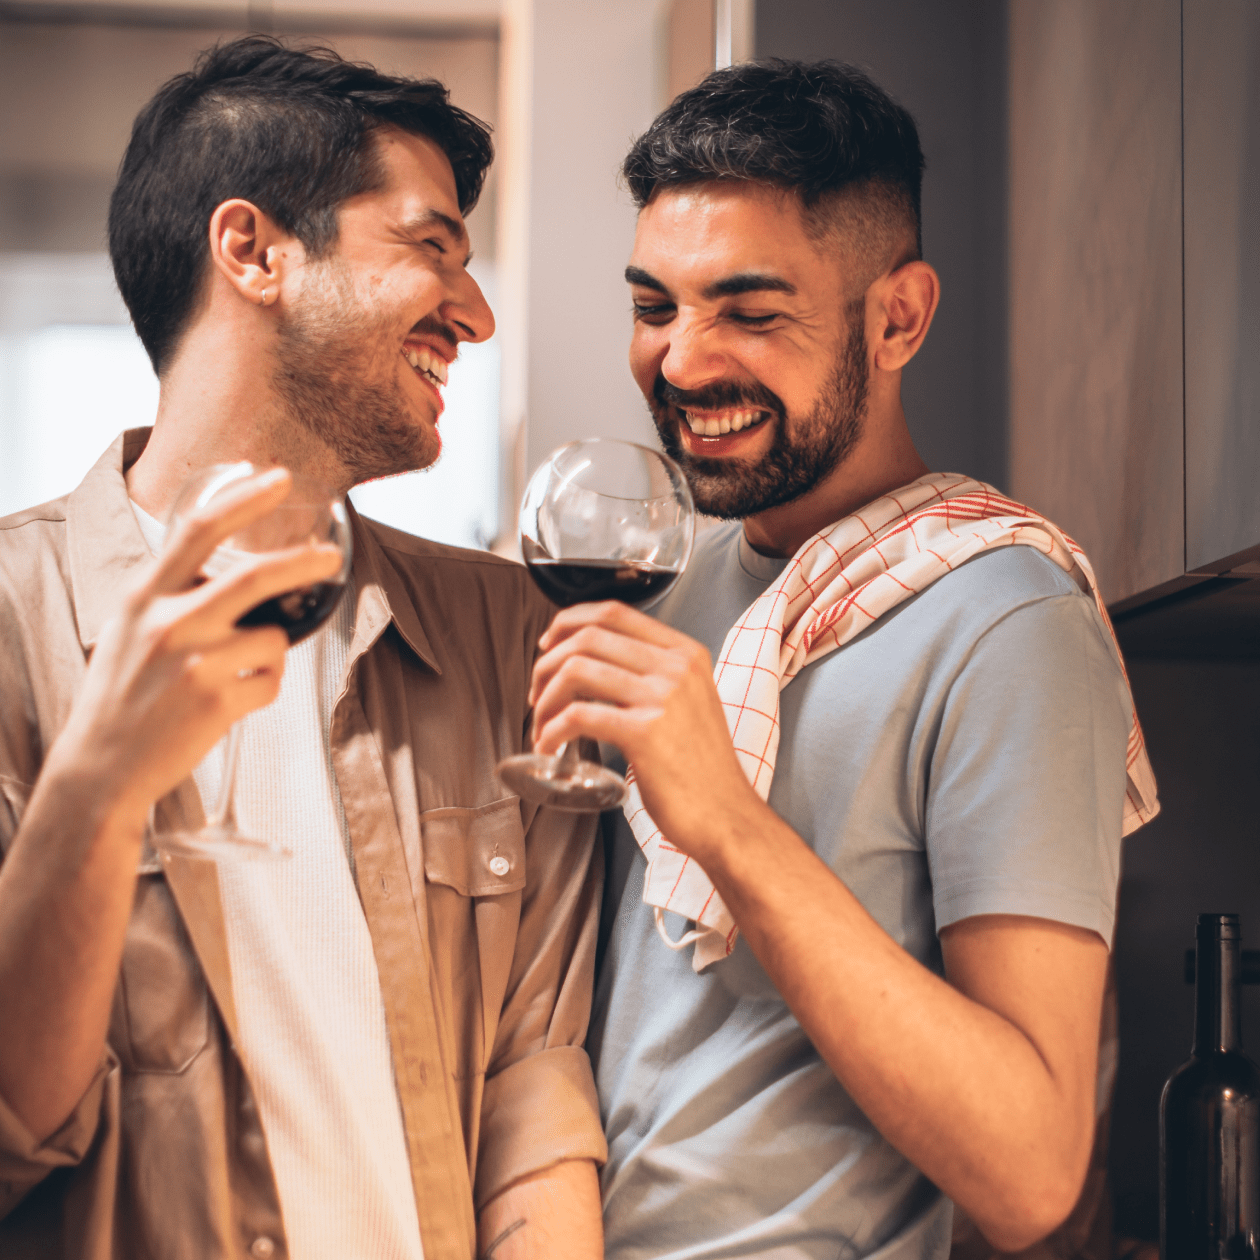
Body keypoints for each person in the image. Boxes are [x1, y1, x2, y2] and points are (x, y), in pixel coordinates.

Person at [527, 60, 1159, 1260]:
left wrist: (729, 818)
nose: (682, 362)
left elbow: (1032, 1172)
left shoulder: (1009, 623)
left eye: (751, 313)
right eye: (655, 307)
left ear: (899, 317)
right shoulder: (676, 580)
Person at [0, 37, 604, 1260]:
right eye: (430, 245)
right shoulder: (12, 620)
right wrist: (99, 790)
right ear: (254, 250)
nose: (475, 314)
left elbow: (534, 1092)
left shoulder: (502, 637)